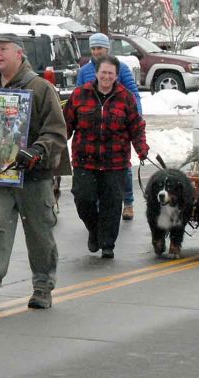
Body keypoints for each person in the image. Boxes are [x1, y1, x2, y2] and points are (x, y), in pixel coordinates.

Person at [0, 33, 70, 309]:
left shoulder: (41, 88)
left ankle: (43, 286)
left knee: (40, 234)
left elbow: (56, 132)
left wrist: (37, 150)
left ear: (19, 53)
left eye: (3, 49)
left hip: (34, 176)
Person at [64, 55, 148, 259]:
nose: (107, 77)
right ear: (96, 73)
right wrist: (54, 143)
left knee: (111, 203)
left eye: (111, 73)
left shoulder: (125, 97)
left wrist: (141, 147)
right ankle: (94, 230)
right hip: (85, 160)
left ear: (117, 75)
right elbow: (65, 124)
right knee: (83, 199)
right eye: (104, 72)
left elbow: (136, 126)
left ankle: (108, 243)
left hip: (115, 162)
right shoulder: (79, 95)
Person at [77, 33, 143, 221]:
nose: (97, 51)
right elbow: (78, 97)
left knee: (123, 168)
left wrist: (136, 118)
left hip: (117, 127)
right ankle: (99, 205)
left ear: (107, 49)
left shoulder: (120, 68)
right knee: (96, 169)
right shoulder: (84, 71)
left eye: (100, 48)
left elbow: (133, 94)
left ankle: (128, 203)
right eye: (94, 48)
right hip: (92, 129)